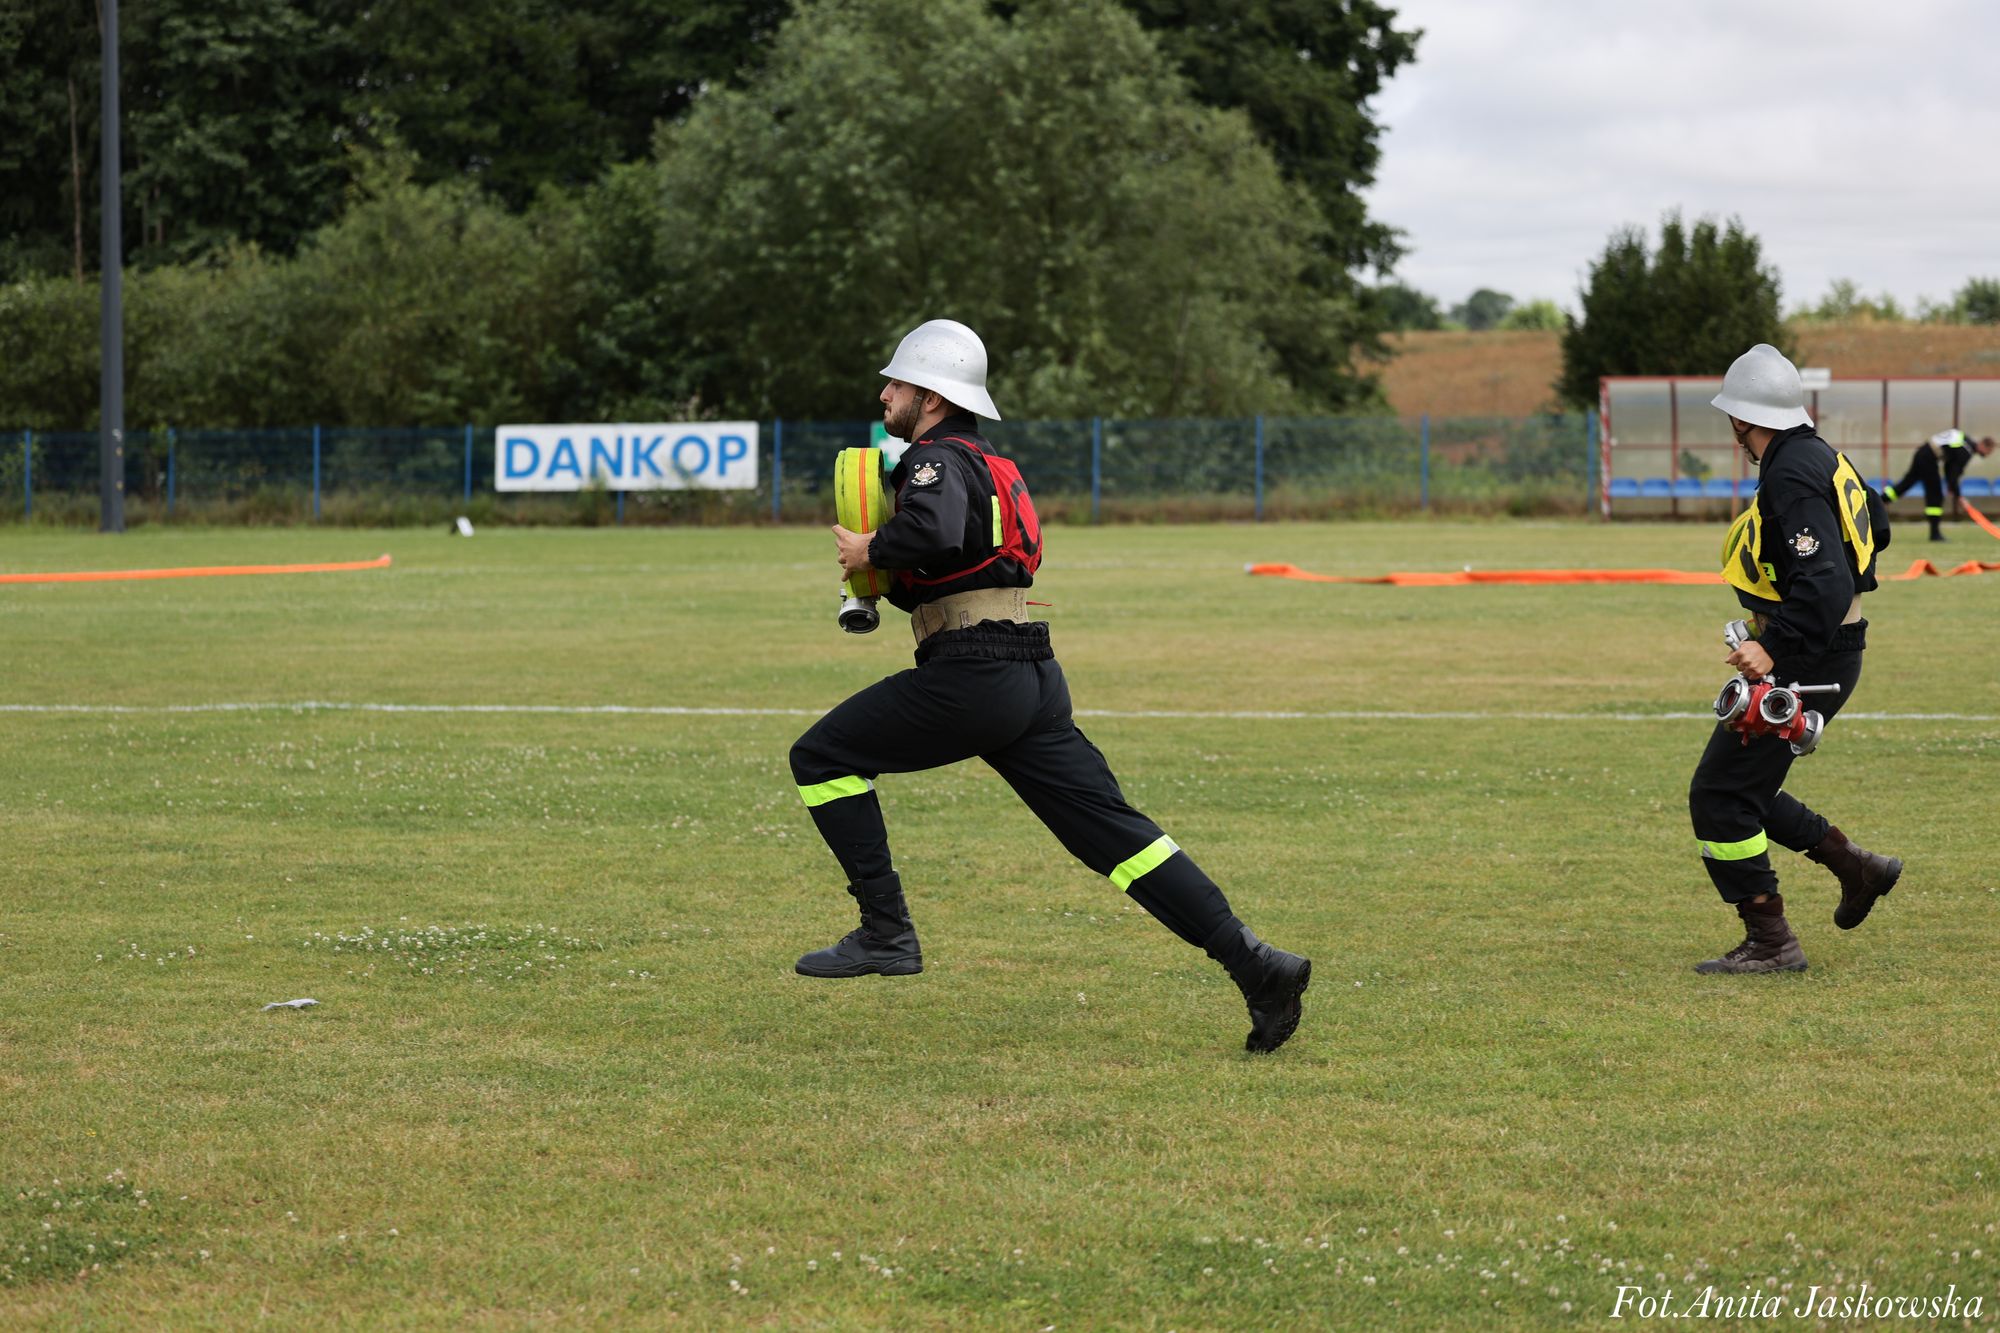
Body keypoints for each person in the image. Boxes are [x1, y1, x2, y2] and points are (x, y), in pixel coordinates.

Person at [787, 318, 1312, 1052]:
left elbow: (932, 533)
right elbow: (958, 566)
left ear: (931, 399)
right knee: (1119, 838)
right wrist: (886, 575)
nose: (885, 394)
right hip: (1031, 674)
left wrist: (869, 546)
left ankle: (886, 931)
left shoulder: (933, 460)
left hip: (974, 675)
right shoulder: (991, 462)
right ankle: (1256, 964)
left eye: (897, 383)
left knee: (821, 757)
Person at [1689, 343, 1903, 974]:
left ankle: (1773, 942)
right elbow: (1879, 527)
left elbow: (1828, 583)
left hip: (1812, 655)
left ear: (1740, 420)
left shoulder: (1786, 469)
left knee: (1720, 795)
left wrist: (1769, 642)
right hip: (1831, 651)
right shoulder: (1821, 454)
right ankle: (1858, 868)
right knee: (1745, 785)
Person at [1884, 428, 1997, 540]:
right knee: (1935, 496)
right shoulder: (1966, 451)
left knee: (1905, 485)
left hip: (1922, 453)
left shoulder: (1964, 440)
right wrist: (1959, 496)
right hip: (1928, 458)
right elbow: (1953, 474)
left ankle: (1879, 501)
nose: (1987, 455)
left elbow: (1949, 467)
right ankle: (1935, 534)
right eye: (1989, 451)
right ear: (1983, 445)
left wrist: (1952, 488)